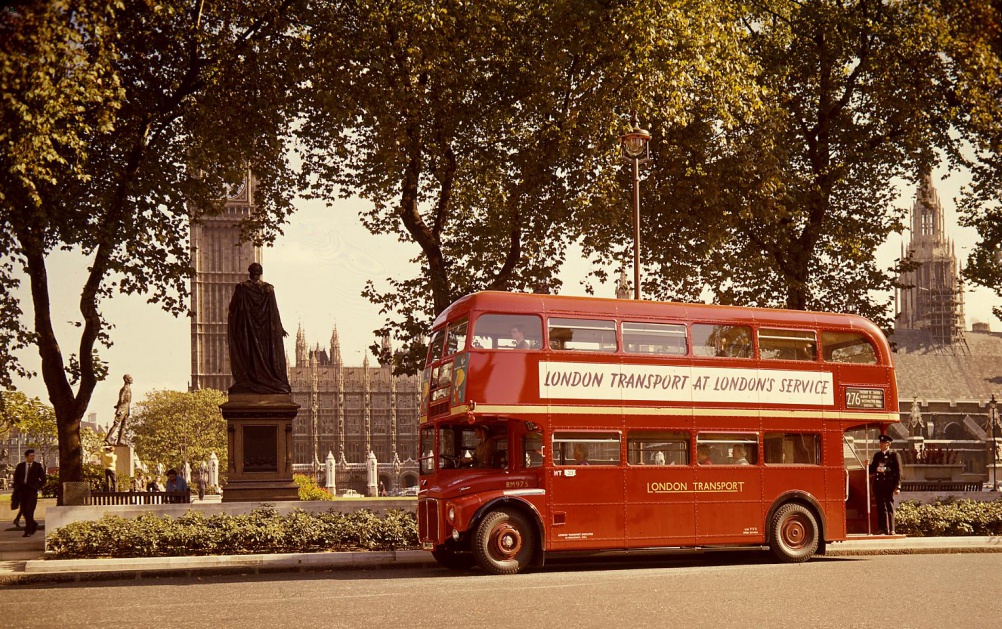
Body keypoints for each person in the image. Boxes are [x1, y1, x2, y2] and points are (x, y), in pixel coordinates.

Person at [227, 262, 292, 395]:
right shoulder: (268, 289)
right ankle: (265, 379)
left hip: (248, 331)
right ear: (260, 274)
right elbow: (274, 311)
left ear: (250, 273)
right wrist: (279, 328)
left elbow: (232, 307)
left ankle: (253, 379)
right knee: (267, 356)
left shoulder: (242, 288)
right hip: (265, 332)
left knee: (250, 356)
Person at [869, 434, 901, 535]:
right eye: (880, 443)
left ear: (888, 444)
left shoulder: (894, 455)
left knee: (889, 506)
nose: (881, 444)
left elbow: (899, 471)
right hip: (879, 485)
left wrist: (897, 486)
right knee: (880, 507)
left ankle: (891, 529)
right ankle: (882, 528)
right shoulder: (877, 455)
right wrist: (867, 465)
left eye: (883, 443)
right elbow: (873, 469)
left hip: (888, 485)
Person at [12, 449, 46, 537]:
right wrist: (17, 488)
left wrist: (36, 487)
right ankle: (33, 524)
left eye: (34, 456)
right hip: (22, 491)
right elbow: (16, 479)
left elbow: (43, 479)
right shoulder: (20, 466)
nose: (33, 457)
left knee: (29, 511)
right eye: (31, 456)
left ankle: (28, 531)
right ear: (26, 457)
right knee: (24, 512)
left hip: (32, 491)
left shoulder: (37, 466)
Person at [105, 374, 133, 446]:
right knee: (116, 423)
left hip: (126, 407)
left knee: (123, 425)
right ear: (126, 379)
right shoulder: (125, 388)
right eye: (130, 378)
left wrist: (127, 409)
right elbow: (121, 398)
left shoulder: (128, 388)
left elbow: (127, 400)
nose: (132, 379)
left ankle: (120, 441)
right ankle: (108, 438)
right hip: (123, 407)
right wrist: (119, 407)